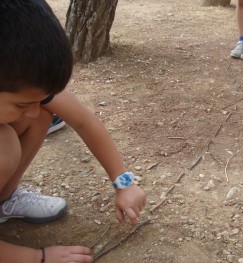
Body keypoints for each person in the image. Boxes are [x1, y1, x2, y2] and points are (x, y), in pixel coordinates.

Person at [0, 0, 147, 262]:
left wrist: (123, 183)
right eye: (22, 103)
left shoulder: (17, 78)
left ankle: (4, 199)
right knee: (5, 145)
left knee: (43, 112)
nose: (33, 110)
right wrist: (37, 257)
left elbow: (84, 121)